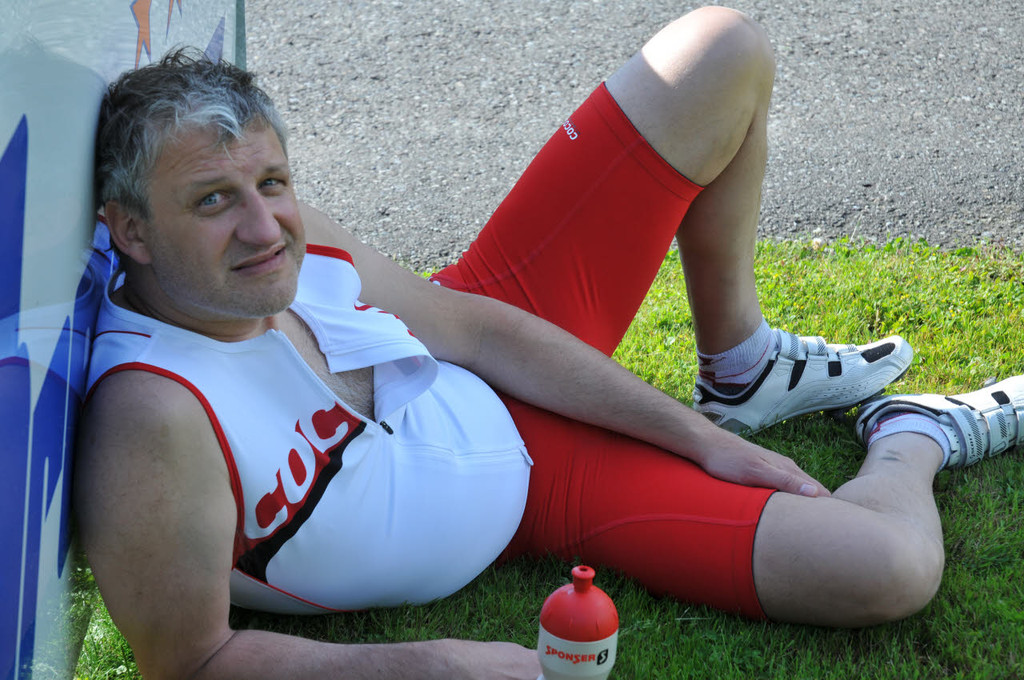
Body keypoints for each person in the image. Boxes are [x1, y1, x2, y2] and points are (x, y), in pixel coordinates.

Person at [74, 6, 1023, 679]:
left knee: (720, 51)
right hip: (543, 491)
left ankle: (742, 372)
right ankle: (914, 433)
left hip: (487, 342)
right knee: (887, 567)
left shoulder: (285, 238)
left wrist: (704, 439)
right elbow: (191, 660)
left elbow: (471, 326)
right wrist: (432, 665)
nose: (264, 228)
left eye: (272, 184)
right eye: (213, 201)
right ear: (131, 231)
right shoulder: (155, 411)